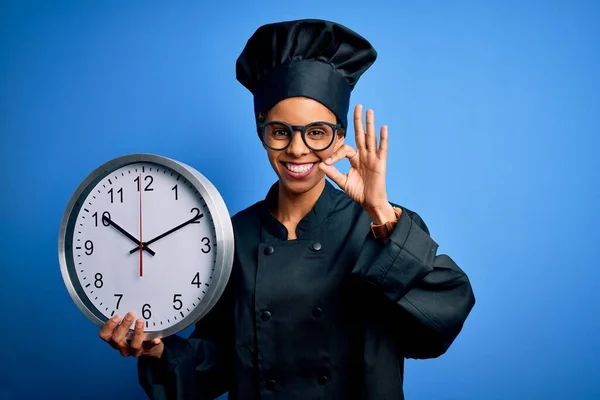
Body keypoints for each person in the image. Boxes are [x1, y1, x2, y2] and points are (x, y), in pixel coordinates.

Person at [99, 19, 476, 400]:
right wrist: (160, 349)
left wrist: (378, 209)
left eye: (316, 132)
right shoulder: (233, 237)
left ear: (340, 137)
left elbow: (442, 319)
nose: (297, 150)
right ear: (262, 131)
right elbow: (219, 363)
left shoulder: (382, 227)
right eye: (281, 131)